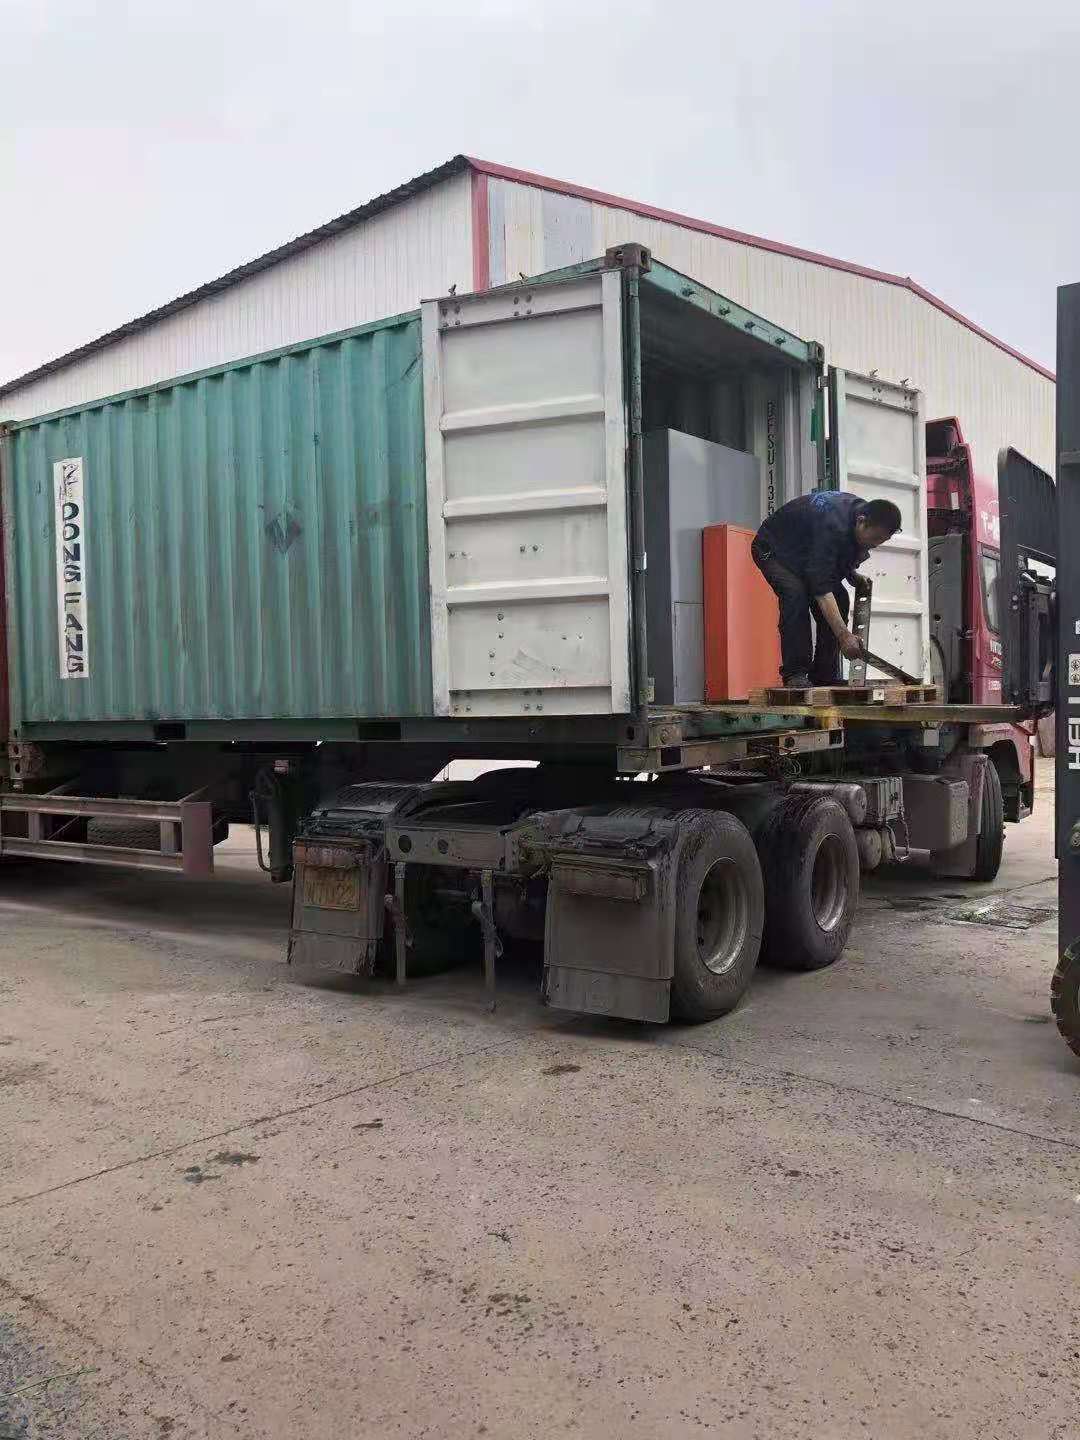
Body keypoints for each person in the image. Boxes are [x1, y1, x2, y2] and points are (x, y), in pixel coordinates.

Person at [751, 493, 903, 688]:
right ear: (861, 521)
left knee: (840, 599)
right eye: (875, 538)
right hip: (773, 550)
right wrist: (844, 636)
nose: (875, 545)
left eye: (881, 541)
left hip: (803, 553)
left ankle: (824, 673)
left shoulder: (861, 517)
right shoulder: (832, 525)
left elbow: (836, 555)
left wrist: (851, 574)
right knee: (795, 596)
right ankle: (795, 673)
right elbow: (821, 590)